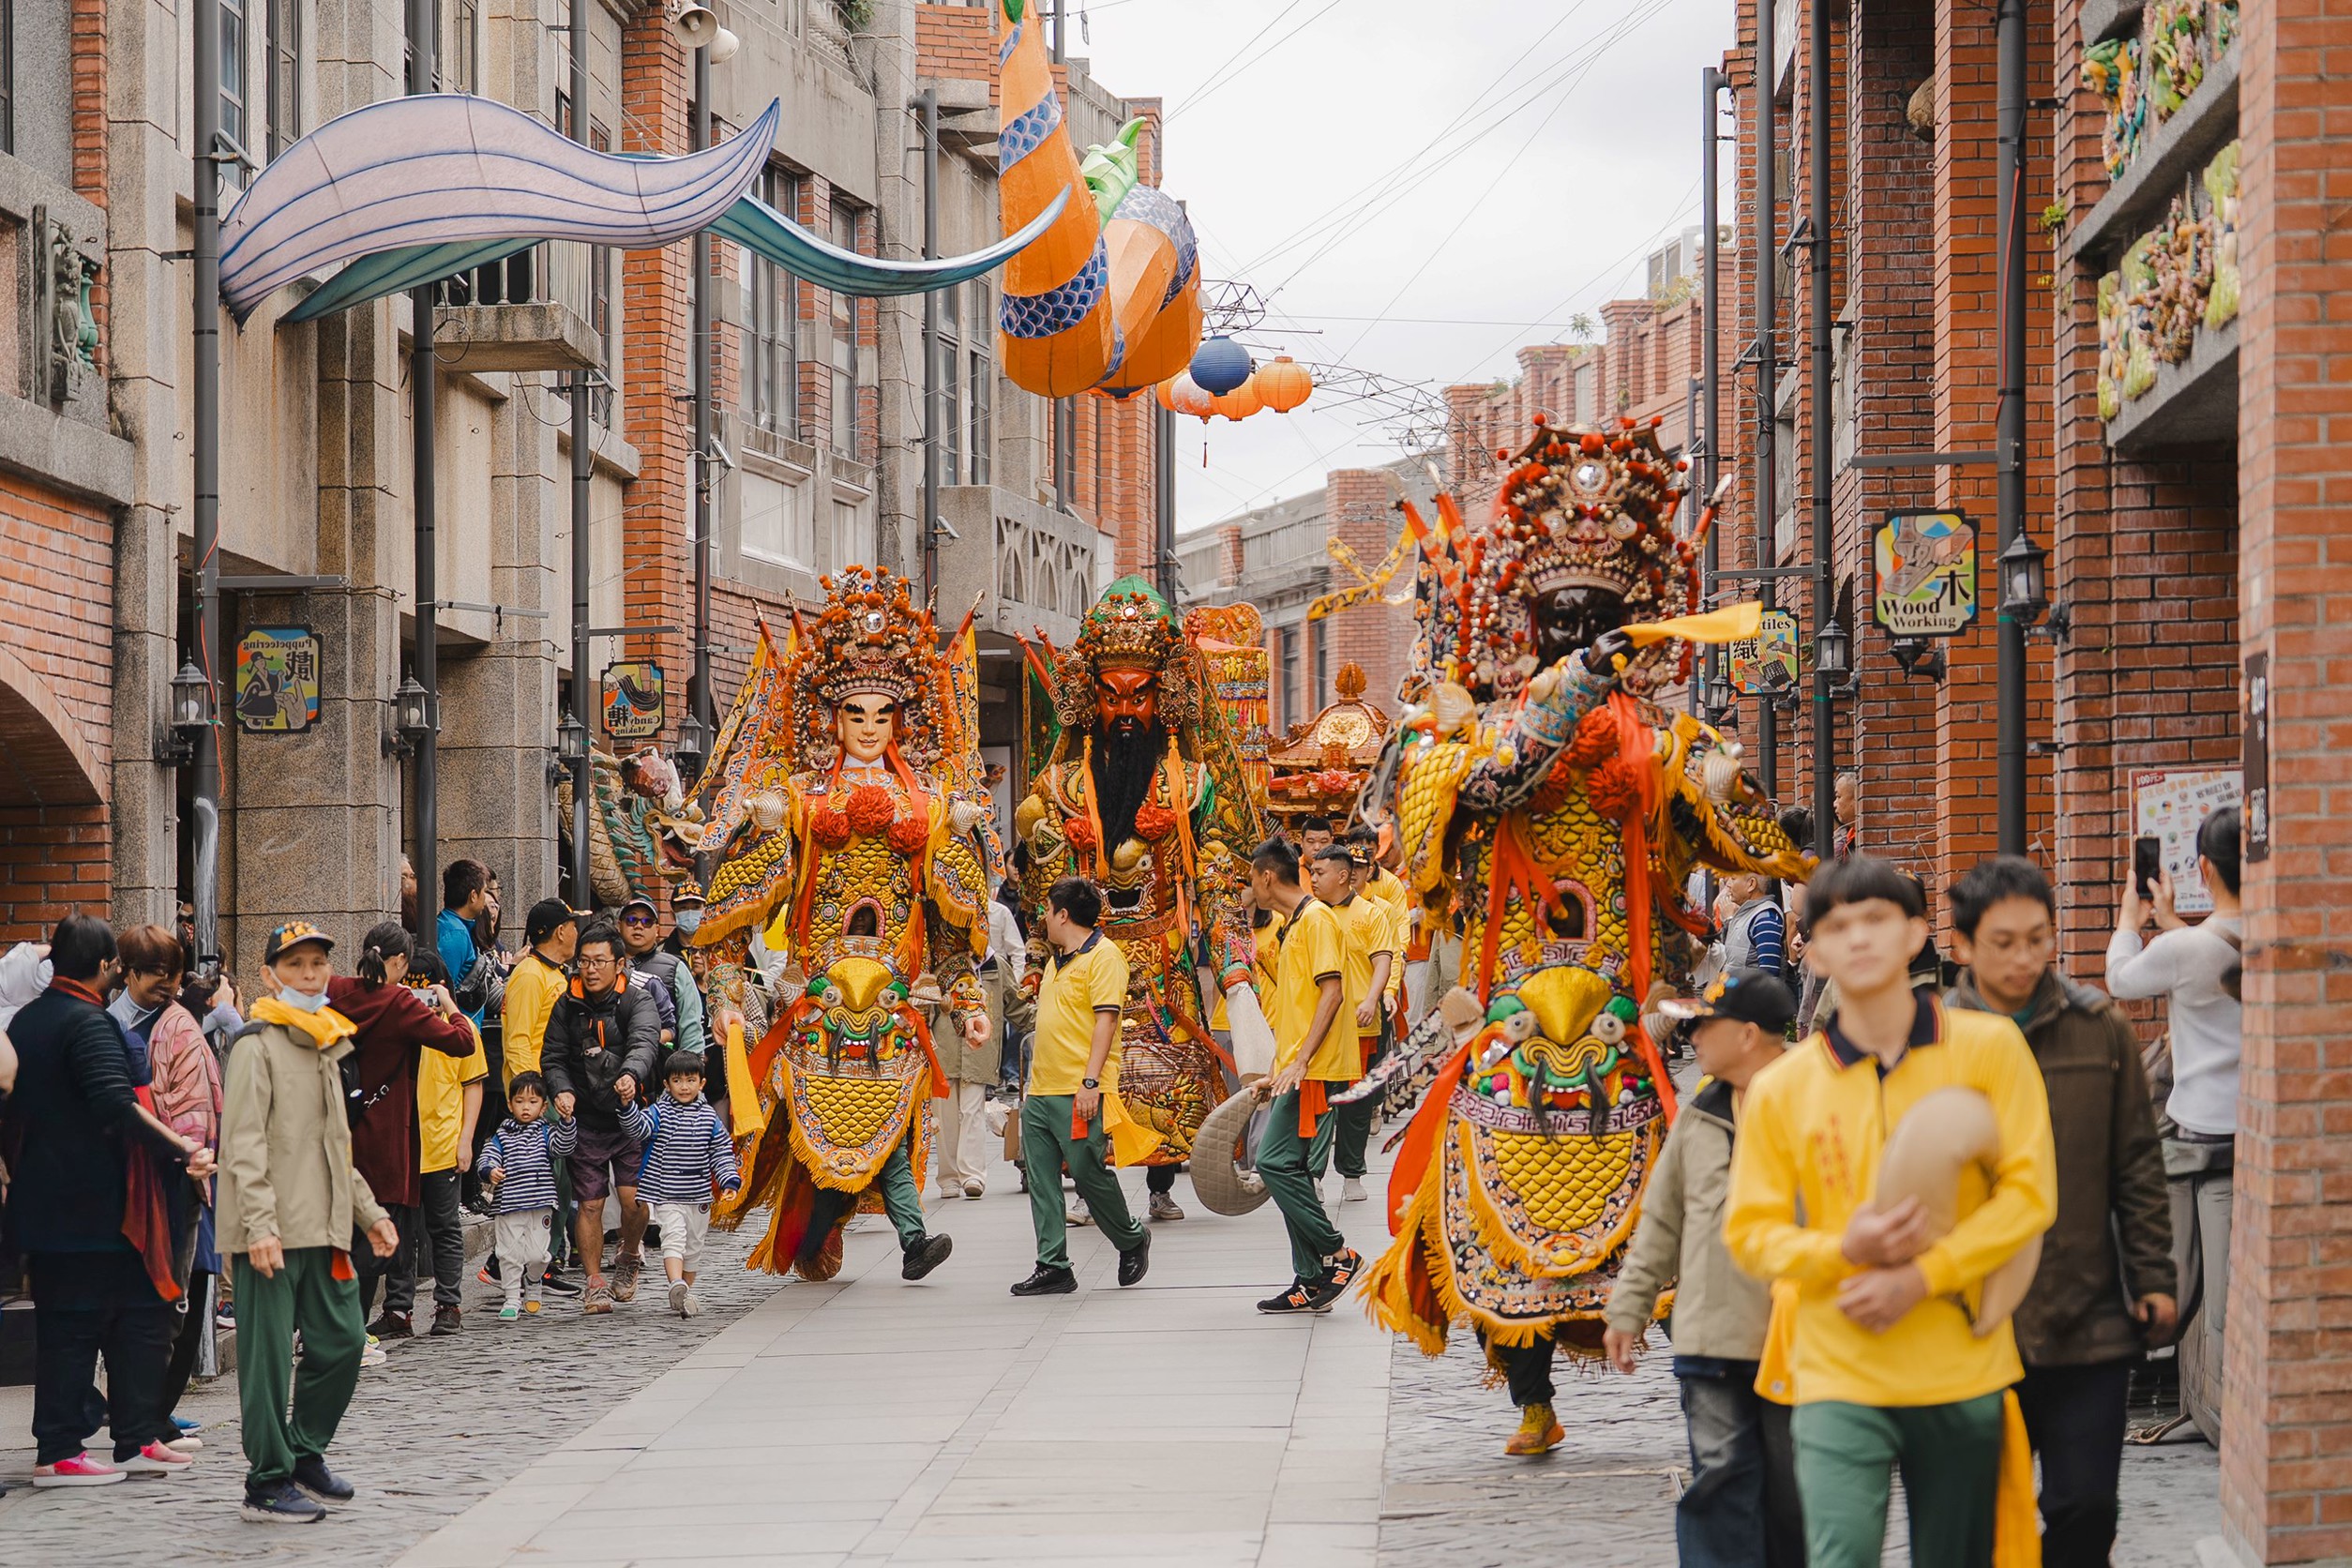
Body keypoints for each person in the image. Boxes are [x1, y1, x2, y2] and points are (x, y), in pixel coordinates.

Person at [1724, 855, 2057, 1568]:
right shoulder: (1783, 1087)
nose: (1860, 938)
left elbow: (2031, 1196)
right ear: (1809, 950)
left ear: (1916, 934)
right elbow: (1750, 1234)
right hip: (1836, 1369)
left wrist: (1924, 1276)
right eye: (1838, 925)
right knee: (1839, 1555)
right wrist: (1845, 1247)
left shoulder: (1991, 1048)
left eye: (1878, 918)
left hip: (1963, 1365)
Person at [689, 568, 992, 1285]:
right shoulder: (792, 800)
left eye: (881, 715)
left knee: (885, 1118)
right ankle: (825, 1235)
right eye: (854, 713)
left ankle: (898, 1238)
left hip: (892, 998)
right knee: (820, 1126)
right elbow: (732, 916)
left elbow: (949, 929)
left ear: (901, 721)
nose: (867, 727)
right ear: (831, 718)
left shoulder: (931, 804)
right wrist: (728, 993)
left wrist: (969, 1002)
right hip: (815, 998)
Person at [1008, 577, 1263, 1233]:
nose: (1126, 712)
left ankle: (1157, 1185)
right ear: (1090, 698)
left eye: (1140, 697)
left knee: (1164, 1073)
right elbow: (1045, 892)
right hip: (1087, 958)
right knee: (1079, 1073)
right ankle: (1089, 1183)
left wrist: (1234, 972)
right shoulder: (1060, 786)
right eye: (1111, 696)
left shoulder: (1193, 782)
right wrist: (1038, 955)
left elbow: (1217, 875)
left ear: (1167, 697)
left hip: (1162, 951)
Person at [1946, 855, 2174, 1565]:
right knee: (1980, 1520)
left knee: (2085, 1509)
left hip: (2088, 1318)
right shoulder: (1932, 1039)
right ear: (1962, 945)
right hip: (1970, 1326)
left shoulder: (2096, 1026)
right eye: (2004, 942)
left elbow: (2135, 1160)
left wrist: (2154, 1275)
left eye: (2038, 939)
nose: (2025, 958)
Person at [1604, 970, 1806, 1568]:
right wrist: (1628, 1309)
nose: (1690, 1038)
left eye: (1702, 1026)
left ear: (1747, 1035)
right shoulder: (1699, 1117)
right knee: (1719, 1477)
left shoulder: (1823, 1101)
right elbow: (1661, 1222)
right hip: (1713, 1335)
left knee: (1793, 1490)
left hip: (1800, 1338)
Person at [3, 916, 214, 1487]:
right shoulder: (87, 1024)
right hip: (89, 1208)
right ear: (106, 968)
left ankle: (135, 1437)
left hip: (54, 1203)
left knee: (133, 1318)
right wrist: (182, 1148)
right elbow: (116, 1107)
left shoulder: (26, 1022)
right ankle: (60, 1451)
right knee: (77, 1328)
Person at [218, 922, 402, 1523]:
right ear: (271, 974)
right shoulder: (255, 1044)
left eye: (318, 964)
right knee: (268, 1362)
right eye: (295, 965)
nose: (308, 975)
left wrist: (369, 1213)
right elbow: (243, 1145)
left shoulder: (327, 1042)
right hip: (269, 1230)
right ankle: (265, 1481)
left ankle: (303, 1452)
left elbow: (333, 1147)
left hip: (322, 1227)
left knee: (344, 1344)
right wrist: (260, 1226)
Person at [2107, 804, 2240, 1446]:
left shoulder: (2186, 949)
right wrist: (2175, 925)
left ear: (2204, 867)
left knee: (2203, 1295)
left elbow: (2120, 978)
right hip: (2256, 1134)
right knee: (2224, 1287)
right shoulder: (2274, 935)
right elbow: (2222, 957)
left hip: (2202, 1136)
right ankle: (2208, 1412)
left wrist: (2133, 920)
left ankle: (2224, 1426)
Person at [328, 923, 476, 1339]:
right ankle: (348, 1332)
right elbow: (462, 1041)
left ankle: (326, 1326)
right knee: (376, 1238)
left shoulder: (337, 990)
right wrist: (449, 1003)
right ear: (398, 962)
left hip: (340, 1127)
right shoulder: (401, 1004)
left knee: (343, 1231)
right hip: (387, 1133)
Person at [1009, 878, 1155, 1297]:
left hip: (1078, 1089)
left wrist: (1091, 1082)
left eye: (1048, 911)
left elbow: (1106, 1022)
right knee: (1041, 1179)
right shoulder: (1058, 959)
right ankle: (1053, 1264)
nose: (1043, 919)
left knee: (1089, 1174)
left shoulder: (1105, 957)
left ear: (1063, 914)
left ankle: (1131, 1238)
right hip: (1041, 1089)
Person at [113, 927, 225, 1436]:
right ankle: (140, 1415)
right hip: (124, 1181)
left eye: (172, 976)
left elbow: (195, 1109)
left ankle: (153, 1415)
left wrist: (184, 1155)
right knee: (136, 1305)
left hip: (179, 1180)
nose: (166, 985)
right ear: (126, 972)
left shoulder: (180, 1026)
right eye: (154, 975)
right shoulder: (106, 1023)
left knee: (183, 1295)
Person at [1245, 838, 1361, 1316]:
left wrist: (1300, 1062)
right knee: (1286, 1167)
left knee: (1273, 1164)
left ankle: (1339, 1254)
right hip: (1296, 1069)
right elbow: (1298, 1009)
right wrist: (1276, 1071)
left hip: (1314, 1069)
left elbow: (1331, 994)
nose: (1250, 890)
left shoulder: (1315, 920)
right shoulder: (1294, 925)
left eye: (1252, 879)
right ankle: (1310, 1278)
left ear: (1268, 877)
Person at [540, 921, 663, 1313]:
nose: (590, 970)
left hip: (631, 1117)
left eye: (599, 962)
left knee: (633, 1199)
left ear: (619, 964)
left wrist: (630, 1076)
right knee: (589, 1204)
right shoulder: (566, 1004)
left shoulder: (637, 1001)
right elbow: (553, 1056)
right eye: (584, 962)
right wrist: (560, 1089)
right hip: (586, 1119)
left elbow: (645, 1043)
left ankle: (628, 1255)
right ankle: (594, 1283)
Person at [496, 897, 581, 1296]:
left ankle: (540, 1261)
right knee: (544, 1184)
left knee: (558, 1184)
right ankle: (521, 1264)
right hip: (539, 1098)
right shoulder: (530, 975)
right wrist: (532, 1099)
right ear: (561, 931)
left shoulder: (556, 973)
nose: (576, 933)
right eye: (573, 926)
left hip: (554, 1091)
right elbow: (518, 1042)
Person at [404, 949, 490, 1336]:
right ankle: (398, 1309)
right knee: (401, 1231)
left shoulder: (462, 1030)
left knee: (444, 1227)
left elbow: (473, 1086)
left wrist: (466, 1140)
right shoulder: (398, 1023)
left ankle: (448, 1303)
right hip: (402, 1145)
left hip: (442, 1142)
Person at [618, 1051, 742, 1317]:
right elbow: (637, 1129)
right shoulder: (658, 1113)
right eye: (677, 1080)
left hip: (698, 1195)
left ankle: (684, 1292)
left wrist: (728, 1180)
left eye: (690, 1080)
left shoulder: (710, 1119)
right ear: (666, 1084)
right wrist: (628, 1106)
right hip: (667, 1193)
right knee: (672, 1238)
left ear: (702, 1083)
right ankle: (676, 1282)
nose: (684, 1086)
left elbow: (721, 1152)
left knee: (694, 1247)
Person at [1317, 842, 1394, 1206]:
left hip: (1361, 1024)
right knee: (1316, 1103)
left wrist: (1370, 998)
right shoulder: (1310, 914)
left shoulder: (1372, 914)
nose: (1313, 879)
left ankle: (1351, 1173)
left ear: (1344, 876)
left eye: (1320, 873)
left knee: (1355, 1105)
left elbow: (1383, 961)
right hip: (1320, 1025)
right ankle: (1313, 1174)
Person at [475, 1071, 576, 1320]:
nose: (526, 1108)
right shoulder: (502, 1135)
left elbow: (564, 1146)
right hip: (508, 1204)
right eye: (519, 1102)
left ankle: (534, 1279)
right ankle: (511, 1298)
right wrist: (490, 1172)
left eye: (532, 1102)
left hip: (540, 1203)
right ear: (510, 1105)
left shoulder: (546, 1133)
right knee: (508, 1254)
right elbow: (487, 1156)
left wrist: (566, 1122)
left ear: (543, 1107)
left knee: (538, 1254)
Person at [620, 894, 706, 1059]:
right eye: (631, 920)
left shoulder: (676, 968)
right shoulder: (606, 964)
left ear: (657, 929)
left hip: (663, 1068)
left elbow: (690, 1028)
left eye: (647, 922)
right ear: (619, 925)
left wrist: (691, 1067)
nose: (639, 926)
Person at [437, 858, 493, 1026]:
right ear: (473, 896)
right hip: (457, 1033)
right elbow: (444, 991)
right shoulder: (455, 934)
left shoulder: (454, 927)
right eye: (484, 891)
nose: (486, 899)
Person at [1719, 872, 1787, 978]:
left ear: (1751, 884)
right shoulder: (1747, 913)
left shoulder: (1765, 918)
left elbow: (1769, 975)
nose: (1728, 884)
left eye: (1733, 878)